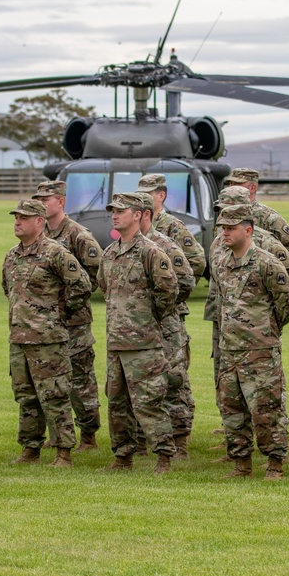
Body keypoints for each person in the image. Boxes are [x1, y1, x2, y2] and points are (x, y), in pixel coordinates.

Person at [204, 186, 289, 460]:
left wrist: (269, 324)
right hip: (230, 345)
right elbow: (222, 295)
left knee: (266, 407)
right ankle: (240, 460)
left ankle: (275, 462)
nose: (223, 230)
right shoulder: (221, 255)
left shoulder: (266, 256)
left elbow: (288, 294)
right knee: (231, 406)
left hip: (260, 346)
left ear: (247, 228)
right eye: (221, 223)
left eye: (230, 225)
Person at [2, 199, 92, 468]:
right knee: (26, 396)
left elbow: (82, 285)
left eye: (24, 218)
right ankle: (30, 448)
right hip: (19, 339)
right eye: (16, 217)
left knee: (55, 396)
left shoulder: (56, 253)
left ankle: (63, 451)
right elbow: (10, 290)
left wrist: (58, 312)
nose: (17, 222)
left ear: (39, 222)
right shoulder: (12, 255)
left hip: (48, 340)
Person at [98, 192, 179, 473]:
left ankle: (164, 457)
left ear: (138, 214)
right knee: (116, 404)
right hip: (116, 343)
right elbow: (103, 287)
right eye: (113, 210)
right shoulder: (109, 253)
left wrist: (147, 318)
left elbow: (168, 292)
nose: (115, 214)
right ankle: (123, 457)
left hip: (143, 343)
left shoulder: (151, 252)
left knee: (149, 403)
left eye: (121, 210)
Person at [31, 180, 104, 451]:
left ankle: (88, 435)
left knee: (80, 380)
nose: (41, 203)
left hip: (74, 321)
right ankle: (58, 433)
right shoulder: (39, 233)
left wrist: (68, 303)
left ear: (60, 201)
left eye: (46, 199)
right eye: (37, 198)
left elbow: (96, 274)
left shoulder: (78, 235)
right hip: (44, 323)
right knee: (50, 380)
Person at [137, 191, 196, 460]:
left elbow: (186, 281)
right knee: (138, 384)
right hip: (136, 328)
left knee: (174, 381)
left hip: (167, 326)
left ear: (145, 214)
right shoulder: (122, 246)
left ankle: (180, 441)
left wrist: (164, 308)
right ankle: (140, 440)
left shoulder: (165, 245)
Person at [222, 168, 289, 259]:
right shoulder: (223, 213)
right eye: (230, 184)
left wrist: (272, 267)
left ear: (252, 188)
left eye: (237, 184)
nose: (232, 187)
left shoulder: (268, 217)